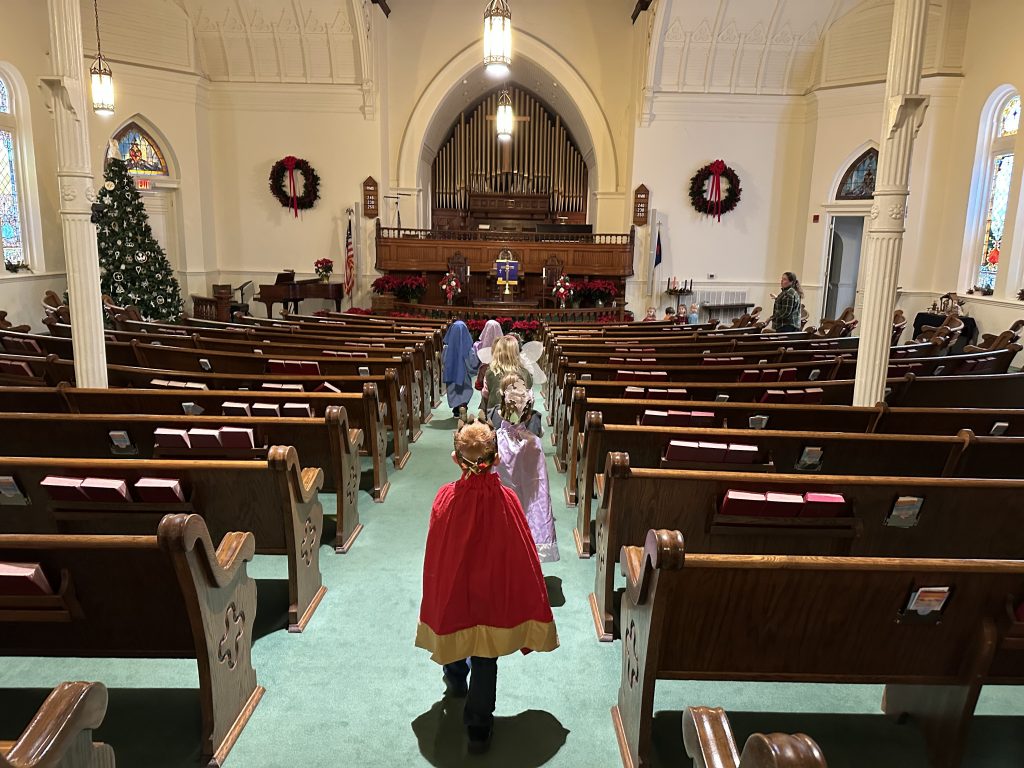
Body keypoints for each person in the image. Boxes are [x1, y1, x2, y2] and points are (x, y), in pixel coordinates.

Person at [416, 417, 559, 753]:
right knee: (486, 655)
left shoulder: (445, 499)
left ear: (456, 459)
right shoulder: (507, 500)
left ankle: (454, 676)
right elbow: (521, 552)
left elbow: (437, 554)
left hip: (457, 587)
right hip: (493, 590)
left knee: (454, 622)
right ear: (495, 460)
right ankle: (478, 726)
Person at [493, 375, 558, 562]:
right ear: (528, 411)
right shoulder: (533, 442)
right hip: (528, 494)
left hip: (503, 497)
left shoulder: (495, 441)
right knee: (531, 505)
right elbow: (540, 484)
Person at [483, 335, 533, 410]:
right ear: (516, 352)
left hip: (494, 413)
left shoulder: (490, 372)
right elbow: (530, 397)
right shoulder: (525, 373)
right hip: (518, 414)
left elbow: (485, 394)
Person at [442, 320, 479, 418]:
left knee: (453, 390)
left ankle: (456, 409)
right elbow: (473, 363)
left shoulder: (446, 348)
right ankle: (463, 405)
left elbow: (443, 361)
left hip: (451, 374)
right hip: (464, 375)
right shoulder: (468, 349)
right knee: (464, 390)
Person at [472, 319, 503, 397]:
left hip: (485, 369)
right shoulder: (504, 345)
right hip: (498, 371)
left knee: (486, 390)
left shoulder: (478, 345)